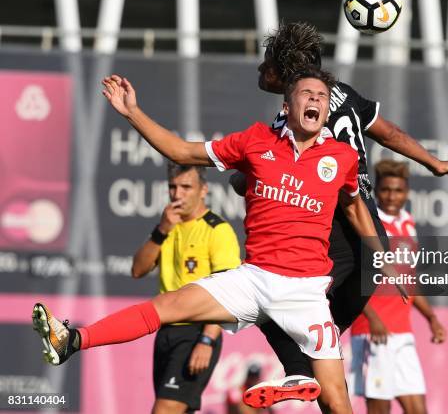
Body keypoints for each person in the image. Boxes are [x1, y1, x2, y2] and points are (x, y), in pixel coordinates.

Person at [32, 68, 391, 414]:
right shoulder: (255, 141)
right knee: (167, 306)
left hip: (305, 292)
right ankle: (72, 340)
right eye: (306, 94)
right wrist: (132, 113)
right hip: (254, 279)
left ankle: (296, 372)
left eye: (322, 96)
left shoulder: (342, 157)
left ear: (327, 109)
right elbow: (180, 151)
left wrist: (381, 258)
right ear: (287, 105)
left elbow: (355, 207)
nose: (315, 99)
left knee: (336, 403)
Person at [237, 22, 448, 408]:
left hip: (334, 225)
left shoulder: (290, 119)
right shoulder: (342, 94)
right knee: (332, 321)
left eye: (266, 64)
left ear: (284, 71)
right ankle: (308, 364)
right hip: (367, 227)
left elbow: (248, 181)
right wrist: (433, 161)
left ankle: (300, 367)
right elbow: (388, 133)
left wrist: (245, 180)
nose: (260, 71)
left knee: (273, 301)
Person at [133, 161, 241, 413]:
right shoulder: (167, 226)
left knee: (164, 410)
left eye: (186, 187)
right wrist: (161, 231)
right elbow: (138, 270)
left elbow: (228, 292)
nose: (177, 194)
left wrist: (207, 339)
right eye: (172, 187)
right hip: (165, 331)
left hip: (196, 333)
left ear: (203, 190)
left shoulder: (218, 230)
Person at [350, 160, 446, 414]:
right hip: (373, 331)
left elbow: (409, 281)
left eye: (398, 190)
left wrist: (431, 318)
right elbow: (351, 278)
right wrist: (372, 318)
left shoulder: (407, 223)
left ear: (407, 192)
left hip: (403, 332)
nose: (392, 196)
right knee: (380, 409)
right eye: (385, 190)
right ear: (377, 190)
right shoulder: (369, 222)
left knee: (417, 409)